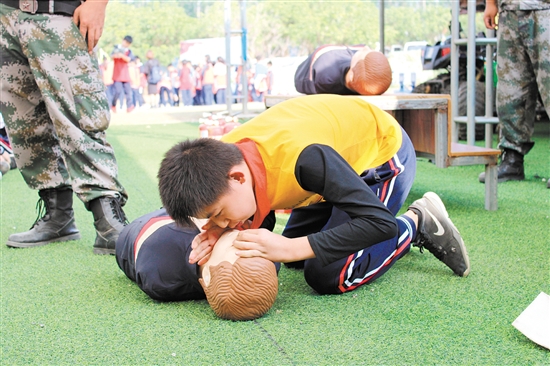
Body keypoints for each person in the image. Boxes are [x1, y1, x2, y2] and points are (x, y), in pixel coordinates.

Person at [158, 94, 470, 297]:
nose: (221, 223)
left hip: (380, 158)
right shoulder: (223, 158)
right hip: (328, 173)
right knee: (293, 258)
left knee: (328, 274)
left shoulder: (303, 159)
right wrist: (221, 230)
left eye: (217, 213)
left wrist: (293, 246)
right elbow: (253, 205)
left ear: (237, 177)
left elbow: (378, 224)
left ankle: (418, 221)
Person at [0, 0, 129, 254]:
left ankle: (107, 217)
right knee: (25, 122)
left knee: (80, 114)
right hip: (6, 15)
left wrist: (97, 3)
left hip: (58, 12)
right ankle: (58, 216)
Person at [116, 208, 279, 321]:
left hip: (147, 227)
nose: (241, 237)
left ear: (207, 277)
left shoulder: (159, 268)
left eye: (233, 245)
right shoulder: (266, 264)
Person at [479, 0, 550, 188]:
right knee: (510, 92)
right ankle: (512, 159)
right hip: (509, 11)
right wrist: (491, 3)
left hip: (545, 10)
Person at [294, 45, 392, 96]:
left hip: (319, 62)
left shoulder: (325, 71)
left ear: (351, 75)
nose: (365, 47)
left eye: (362, 52)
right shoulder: (365, 81)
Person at [111, 35, 135, 113]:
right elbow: (112, 56)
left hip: (126, 75)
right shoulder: (116, 48)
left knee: (128, 92)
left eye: (128, 43)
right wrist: (117, 54)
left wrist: (122, 55)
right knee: (117, 91)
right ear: (123, 40)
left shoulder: (129, 51)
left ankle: (129, 107)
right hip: (117, 74)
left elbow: (129, 59)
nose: (126, 44)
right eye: (125, 41)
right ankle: (113, 105)